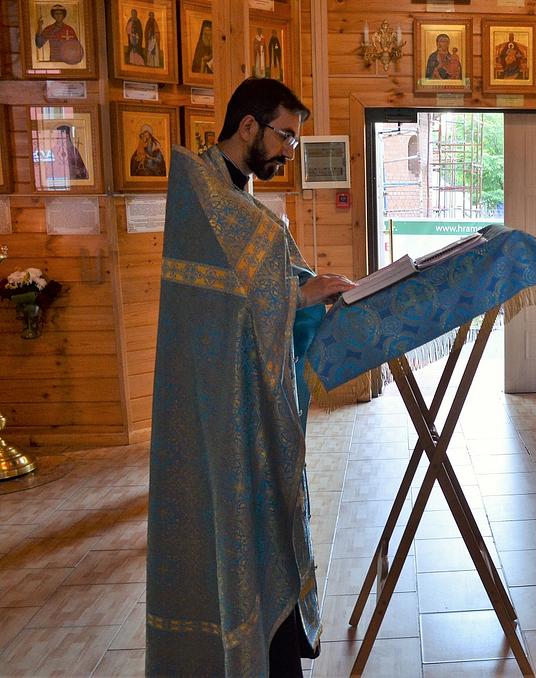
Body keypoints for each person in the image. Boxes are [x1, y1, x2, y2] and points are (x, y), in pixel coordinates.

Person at [147, 78, 354, 676]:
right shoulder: (202, 192)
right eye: (285, 136)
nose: (290, 151)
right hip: (219, 404)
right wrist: (301, 292)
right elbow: (233, 301)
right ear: (247, 126)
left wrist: (307, 287)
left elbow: (261, 282)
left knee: (266, 525)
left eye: (294, 139)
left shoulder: (231, 194)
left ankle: (275, 647)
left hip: (252, 396)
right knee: (234, 522)